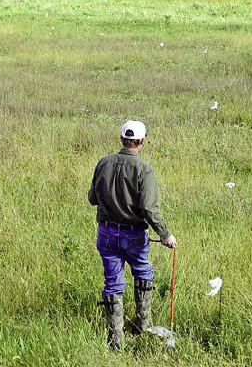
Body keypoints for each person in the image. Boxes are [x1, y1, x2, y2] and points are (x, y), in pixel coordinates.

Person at [88, 120, 177, 350]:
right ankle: (144, 327)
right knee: (143, 274)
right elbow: (149, 208)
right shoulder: (143, 169)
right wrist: (165, 234)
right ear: (142, 142)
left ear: (121, 140)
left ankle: (115, 340)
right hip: (134, 235)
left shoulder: (103, 163)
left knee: (113, 283)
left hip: (106, 233)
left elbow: (92, 198)